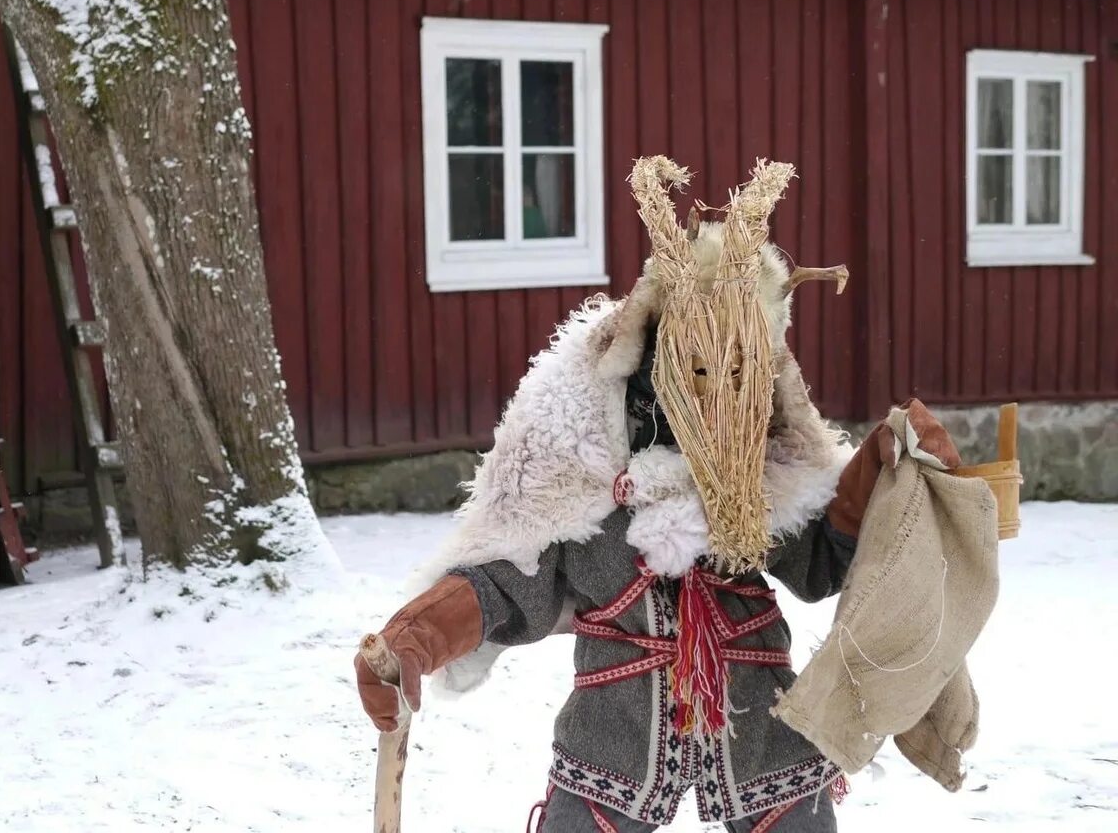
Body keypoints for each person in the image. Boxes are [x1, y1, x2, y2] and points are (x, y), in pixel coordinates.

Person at [354, 245, 960, 832]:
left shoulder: (757, 475)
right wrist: (415, 640)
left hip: (762, 727)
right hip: (613, 736)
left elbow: (820, 561)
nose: (708, 395)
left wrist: (882, 474)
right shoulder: (580, 484)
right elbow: (509, 581)